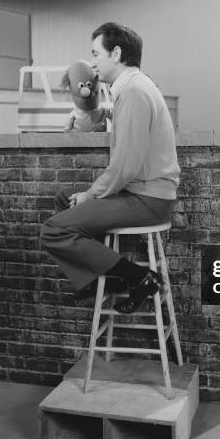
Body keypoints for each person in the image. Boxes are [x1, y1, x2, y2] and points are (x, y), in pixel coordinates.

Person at [41, 22, 180, 314]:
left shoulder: (133, 92)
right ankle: (99, 281)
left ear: (116, 53)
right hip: (145, 193)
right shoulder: (132, 87)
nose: (92, 63)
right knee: (64, 202)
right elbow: (106, 121)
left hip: (147, 199)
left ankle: (138, 278)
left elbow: (125, 165)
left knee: (53, 230)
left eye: (96, 53)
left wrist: (92, 194)